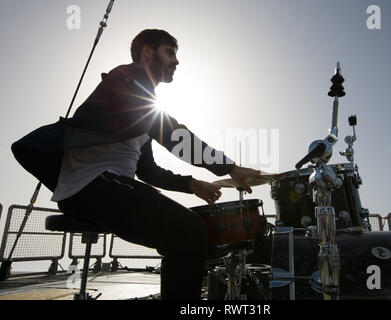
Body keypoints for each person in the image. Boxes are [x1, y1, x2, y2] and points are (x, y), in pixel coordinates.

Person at [11, 29, 262, 300]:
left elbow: (148, 172)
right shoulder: (125, 79)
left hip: (109, 186)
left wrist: (191, 184)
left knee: (188, 233)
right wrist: (229, 168)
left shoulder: (139, 111)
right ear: (147, 51)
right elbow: (170, 131)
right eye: (169, 52)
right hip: (91, 183)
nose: (176, 62)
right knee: (189, 231)